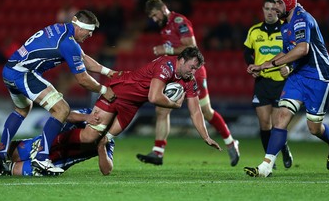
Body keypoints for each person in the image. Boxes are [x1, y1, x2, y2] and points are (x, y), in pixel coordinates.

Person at [50, 47, 222, 171]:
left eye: (196, 69)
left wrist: (205, 136)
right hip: (119, 92)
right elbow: (153, 97)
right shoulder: (165, 65)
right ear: (181, 60)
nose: (193, 72)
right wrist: (174, 104)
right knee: (89, 137)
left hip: (131, 106)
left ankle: (95, 148)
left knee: (103, 140)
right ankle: (51, 142)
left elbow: (195, 110)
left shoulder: (189, 80)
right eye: (191, 67)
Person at [0, 10, 117, 176]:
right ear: (80, 27)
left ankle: (1, 152)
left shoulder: (61, 29)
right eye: (89, 31)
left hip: (10, 69)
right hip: (24, 73)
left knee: (21, 110)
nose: (91, 35)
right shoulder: (68, 43)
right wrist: (103, 90)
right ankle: (42, 158)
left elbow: (83, 57)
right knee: (62, 109)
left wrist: (109, 72)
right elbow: (82, 79)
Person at [244, 0, 329, 177]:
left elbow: (302, 49)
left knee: (314, 128)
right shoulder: (285, 25)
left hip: (319, 78)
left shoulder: (302, 19)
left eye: (279, 3)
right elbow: (286, 53)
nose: (275, 7)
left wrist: (272, 63)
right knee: (281, 117)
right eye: (273, 4)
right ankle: (265, 167)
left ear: (288, 3)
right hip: (298, 78)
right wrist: (263, 65)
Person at [136, 0, 239, 166]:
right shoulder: (164, 26)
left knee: (206, 111)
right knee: (162, 110)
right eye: (152, 17)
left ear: (162, 9)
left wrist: (166, 49)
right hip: (176, 72)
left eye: (155, 15)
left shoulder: (179, 21)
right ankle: (158, 152)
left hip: (193, 72)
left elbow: (192, 47)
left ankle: (230, 142)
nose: (154, 20)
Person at [0, 109, 114, 176]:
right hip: (41, 145)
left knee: (12, 170)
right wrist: (86, 118)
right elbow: (67, 114)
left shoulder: (108, 141)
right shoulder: (91, 115)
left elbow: (107, 170)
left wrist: (101, 147)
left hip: (56, 162)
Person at [243, 0, 293, 169]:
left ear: (278, 10)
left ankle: (283, 148)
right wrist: (251, 66)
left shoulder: (286, 29)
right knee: (265, 124)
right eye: (267, 9)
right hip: (263, 82)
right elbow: (247, 52)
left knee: (278, 124)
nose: (270, 12)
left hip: (281, 82)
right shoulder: (254, 31)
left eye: (273, 8)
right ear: (262, 10)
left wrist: (289, 68)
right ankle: (269, 162)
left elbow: (297, 52)